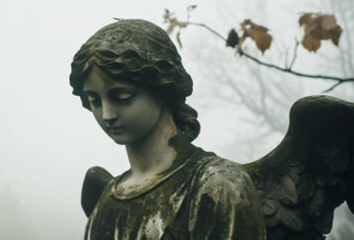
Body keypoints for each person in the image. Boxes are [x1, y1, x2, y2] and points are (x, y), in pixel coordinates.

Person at [69, 19, 265, 240]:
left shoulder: (216, 186)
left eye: (121, 97)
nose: (107, 114)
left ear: (162, 86)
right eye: (94, 100)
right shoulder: (106, 200)